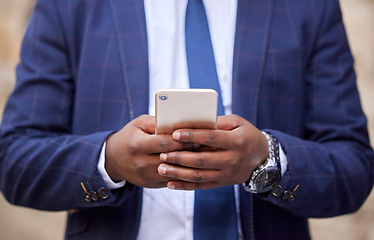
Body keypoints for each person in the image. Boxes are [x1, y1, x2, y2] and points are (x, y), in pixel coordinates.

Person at [0, 0, 373, 239]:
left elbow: (354, 168)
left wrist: (267, 159)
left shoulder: (309, 7)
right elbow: (14, 163)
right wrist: (108, 160)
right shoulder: (68, 7)